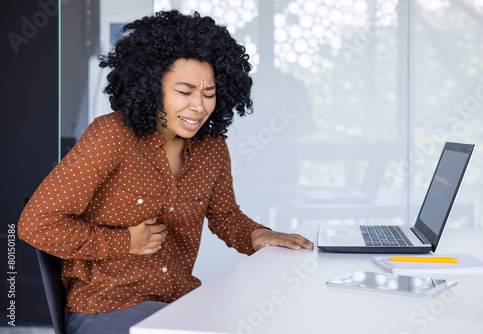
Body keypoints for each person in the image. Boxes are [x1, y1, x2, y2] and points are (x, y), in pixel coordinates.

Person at [18, 10, 313, 334]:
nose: (198, 106)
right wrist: (124, 241)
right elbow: (36, 225)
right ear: (151, 87)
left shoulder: (212, 149)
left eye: (209, 94)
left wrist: (258, 235)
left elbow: (225, 215)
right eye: (184, 92)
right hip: (104, 309)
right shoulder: (112, 136)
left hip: (180, 303)